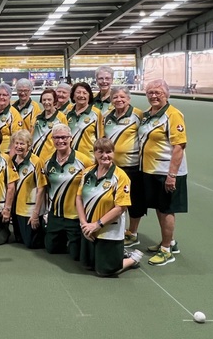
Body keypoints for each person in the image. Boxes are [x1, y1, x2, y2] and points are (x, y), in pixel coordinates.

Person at [138, 79, 188, 266]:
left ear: (166, 94)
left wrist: (172, 175)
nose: (153, 96)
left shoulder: (173, 114)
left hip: (166, 171)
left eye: (157, 92)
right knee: (160, 207)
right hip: (151, 170)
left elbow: (179, 147)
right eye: (150, 92)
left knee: (167, 209)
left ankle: (166, 250)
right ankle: (170, 242)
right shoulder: (147, 114)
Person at [76, 138, 142, 276]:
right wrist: (84, 224)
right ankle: (115, 255)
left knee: (104, 271)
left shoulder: (121, 176)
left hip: (109, 230)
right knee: (87, 265)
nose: (105, 156)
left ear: (114, 153)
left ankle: (133, 258)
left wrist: (97, 225)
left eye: (109, 152)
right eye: (100, 152)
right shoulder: (87, 172)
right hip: (88, 228)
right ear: (94, 153)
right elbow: (79, 198)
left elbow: (121, 207)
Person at [43, 124, 93, 260]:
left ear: (71, 138)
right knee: (51, 249)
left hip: (74, 216)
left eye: (64, 137)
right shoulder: (47, 162)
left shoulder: (83, 161)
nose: (60, 141)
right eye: (56, 138)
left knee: (76, 255)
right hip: (56, 214)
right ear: (52, 139)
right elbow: (46, 187)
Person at [103, 86, 144, 248]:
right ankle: (118, 231)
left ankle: (133, 233)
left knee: (134, 201)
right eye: (115, 97)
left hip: (132, 166)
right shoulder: (107, 116)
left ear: (128, 99)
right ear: (111, 100)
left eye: (122, 97)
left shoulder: (138, 115)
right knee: (115, 201)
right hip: (112, 167)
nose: (119, 100)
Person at [10, 130, 46, 249]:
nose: (18, 146)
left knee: (31, 244)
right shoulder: (12, 160)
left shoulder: (36, 162)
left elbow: (41, 188)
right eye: (16, 143)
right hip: (16, 208)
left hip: (29, 209)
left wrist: (35, 214)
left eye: (22, 144)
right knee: (19, 240)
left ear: (29, 145)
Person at [66, 82, 104, 162]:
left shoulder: (96, 113)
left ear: (89, 96)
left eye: (84, 93)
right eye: (78, 92)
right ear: (73, 96)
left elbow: (100, 138)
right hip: (69, 158)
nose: (81, 95)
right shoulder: (67, 112)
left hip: (89, 158)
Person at [31, 88, 67, 162]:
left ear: (54, 101)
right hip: (35, 158)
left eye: (49, 100)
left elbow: (66, 139)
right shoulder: (37, 117)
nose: (46, 102)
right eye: (44, 100)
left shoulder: (61, 117)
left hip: (51, 159)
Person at [0, 83, 23, 154]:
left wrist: (11, 155)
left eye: (4, 95)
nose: (1, 97)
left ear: (9, 97)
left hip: (6, 152)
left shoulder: (14, 114)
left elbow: (16, 138)